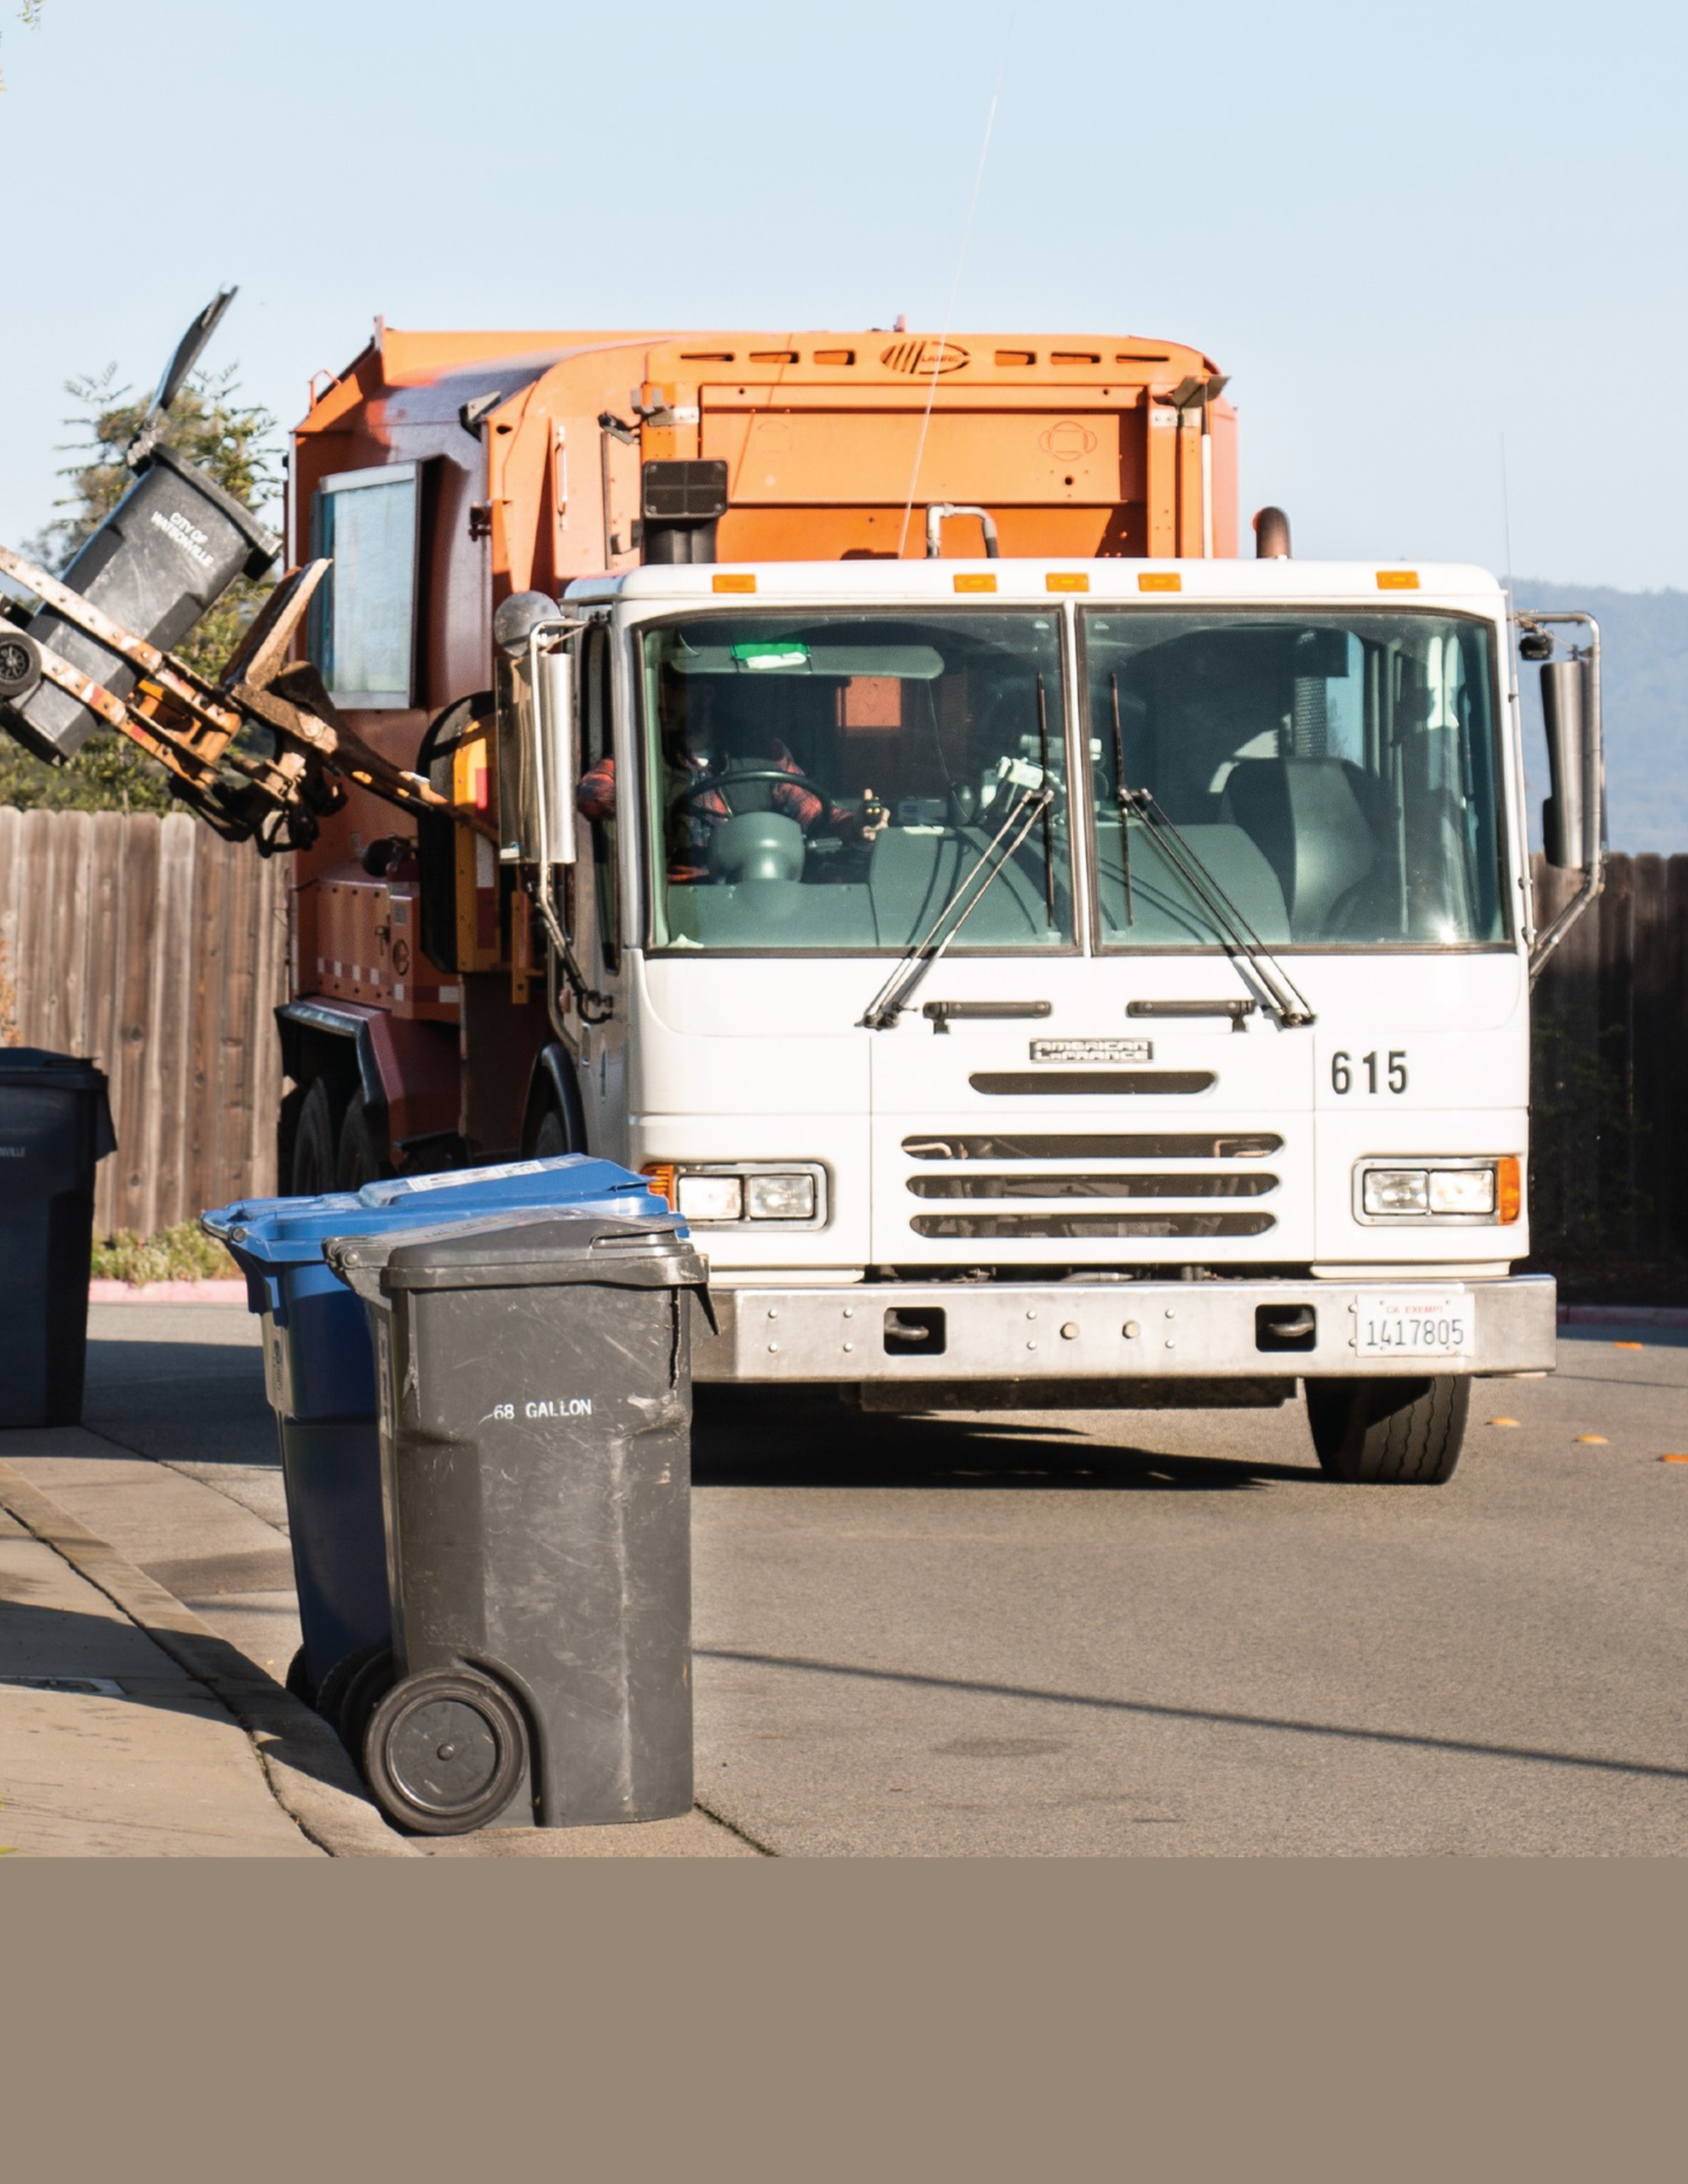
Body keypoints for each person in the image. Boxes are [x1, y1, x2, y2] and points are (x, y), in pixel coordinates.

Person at [576, 675, 879, 881]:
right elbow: (595, 790)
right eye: (656, 686)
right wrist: (635, 798)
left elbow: (812, 812)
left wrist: (856, 826)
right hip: (676, 903)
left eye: (673, 688)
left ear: (705, 695)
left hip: (757, 889)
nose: (660, 697)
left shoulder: (763, 752)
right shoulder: (642, 750)